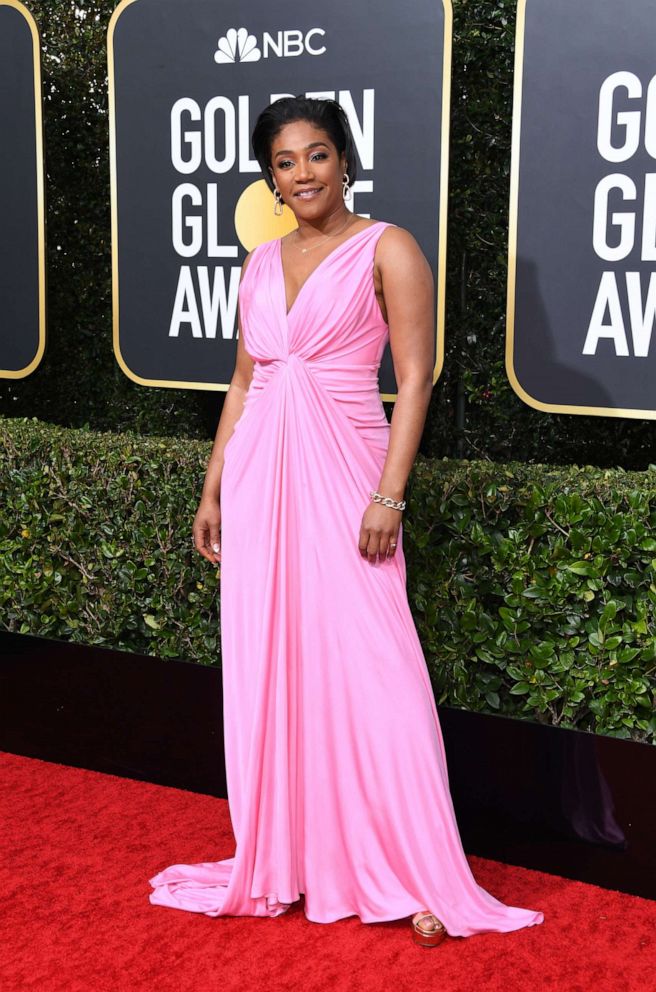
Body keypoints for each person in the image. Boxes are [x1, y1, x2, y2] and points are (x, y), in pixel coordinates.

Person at [148, 95, 545, 946]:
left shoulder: (388, 247)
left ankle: (415, 865)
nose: (303, 174)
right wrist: (214, 485)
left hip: (346, 474)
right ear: (271, 177)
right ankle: (293, 858)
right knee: (273, 665)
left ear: (344, 159)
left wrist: (389, 495)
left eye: (317, 154)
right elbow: (246, 385)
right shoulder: (257, 264)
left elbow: (415, 378)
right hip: (262, 479)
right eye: (285, 163)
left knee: (376, 669)